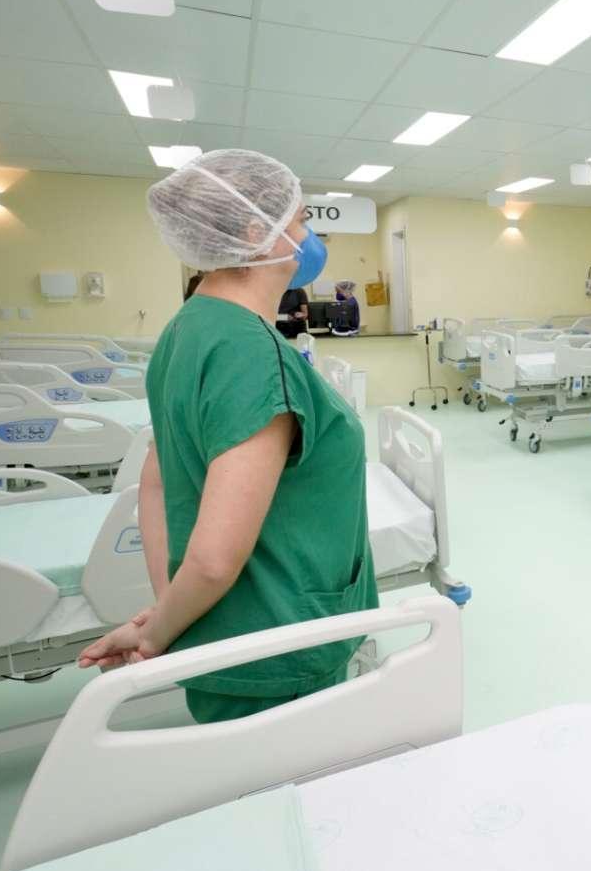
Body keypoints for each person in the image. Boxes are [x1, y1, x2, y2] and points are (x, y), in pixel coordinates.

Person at [79, 149, 376, 724]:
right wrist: (156, 635)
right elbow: (215, 561)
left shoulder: (185, 331)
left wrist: (169, 611)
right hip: (278, 644)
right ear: (256, 234)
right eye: (301, 220)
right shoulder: (253, 354)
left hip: (226, 633)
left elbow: (157, 485)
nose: (309, 238)